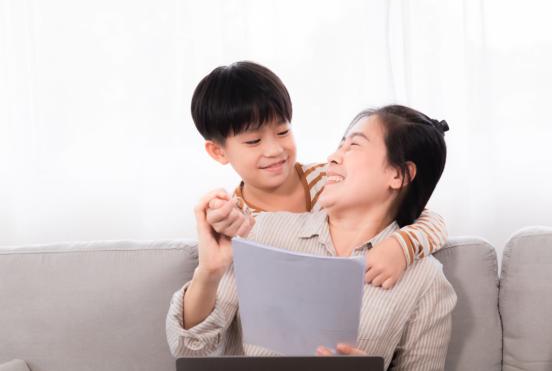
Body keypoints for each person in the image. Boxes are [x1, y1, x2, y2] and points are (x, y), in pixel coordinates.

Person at [166, 105, 457, 370]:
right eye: (339, 144)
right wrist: (209, 273)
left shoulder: (426, 282)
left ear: (399, 175)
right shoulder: (260, 231)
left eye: (353, 145)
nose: (332, 157)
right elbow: (191, 349)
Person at [191, 62, 448, 289]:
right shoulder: (238, 219)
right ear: (218, 151)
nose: (275, 149)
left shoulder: (330, 181)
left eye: (282, 132)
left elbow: (426, 216)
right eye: (254, 141)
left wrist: (401, 247)